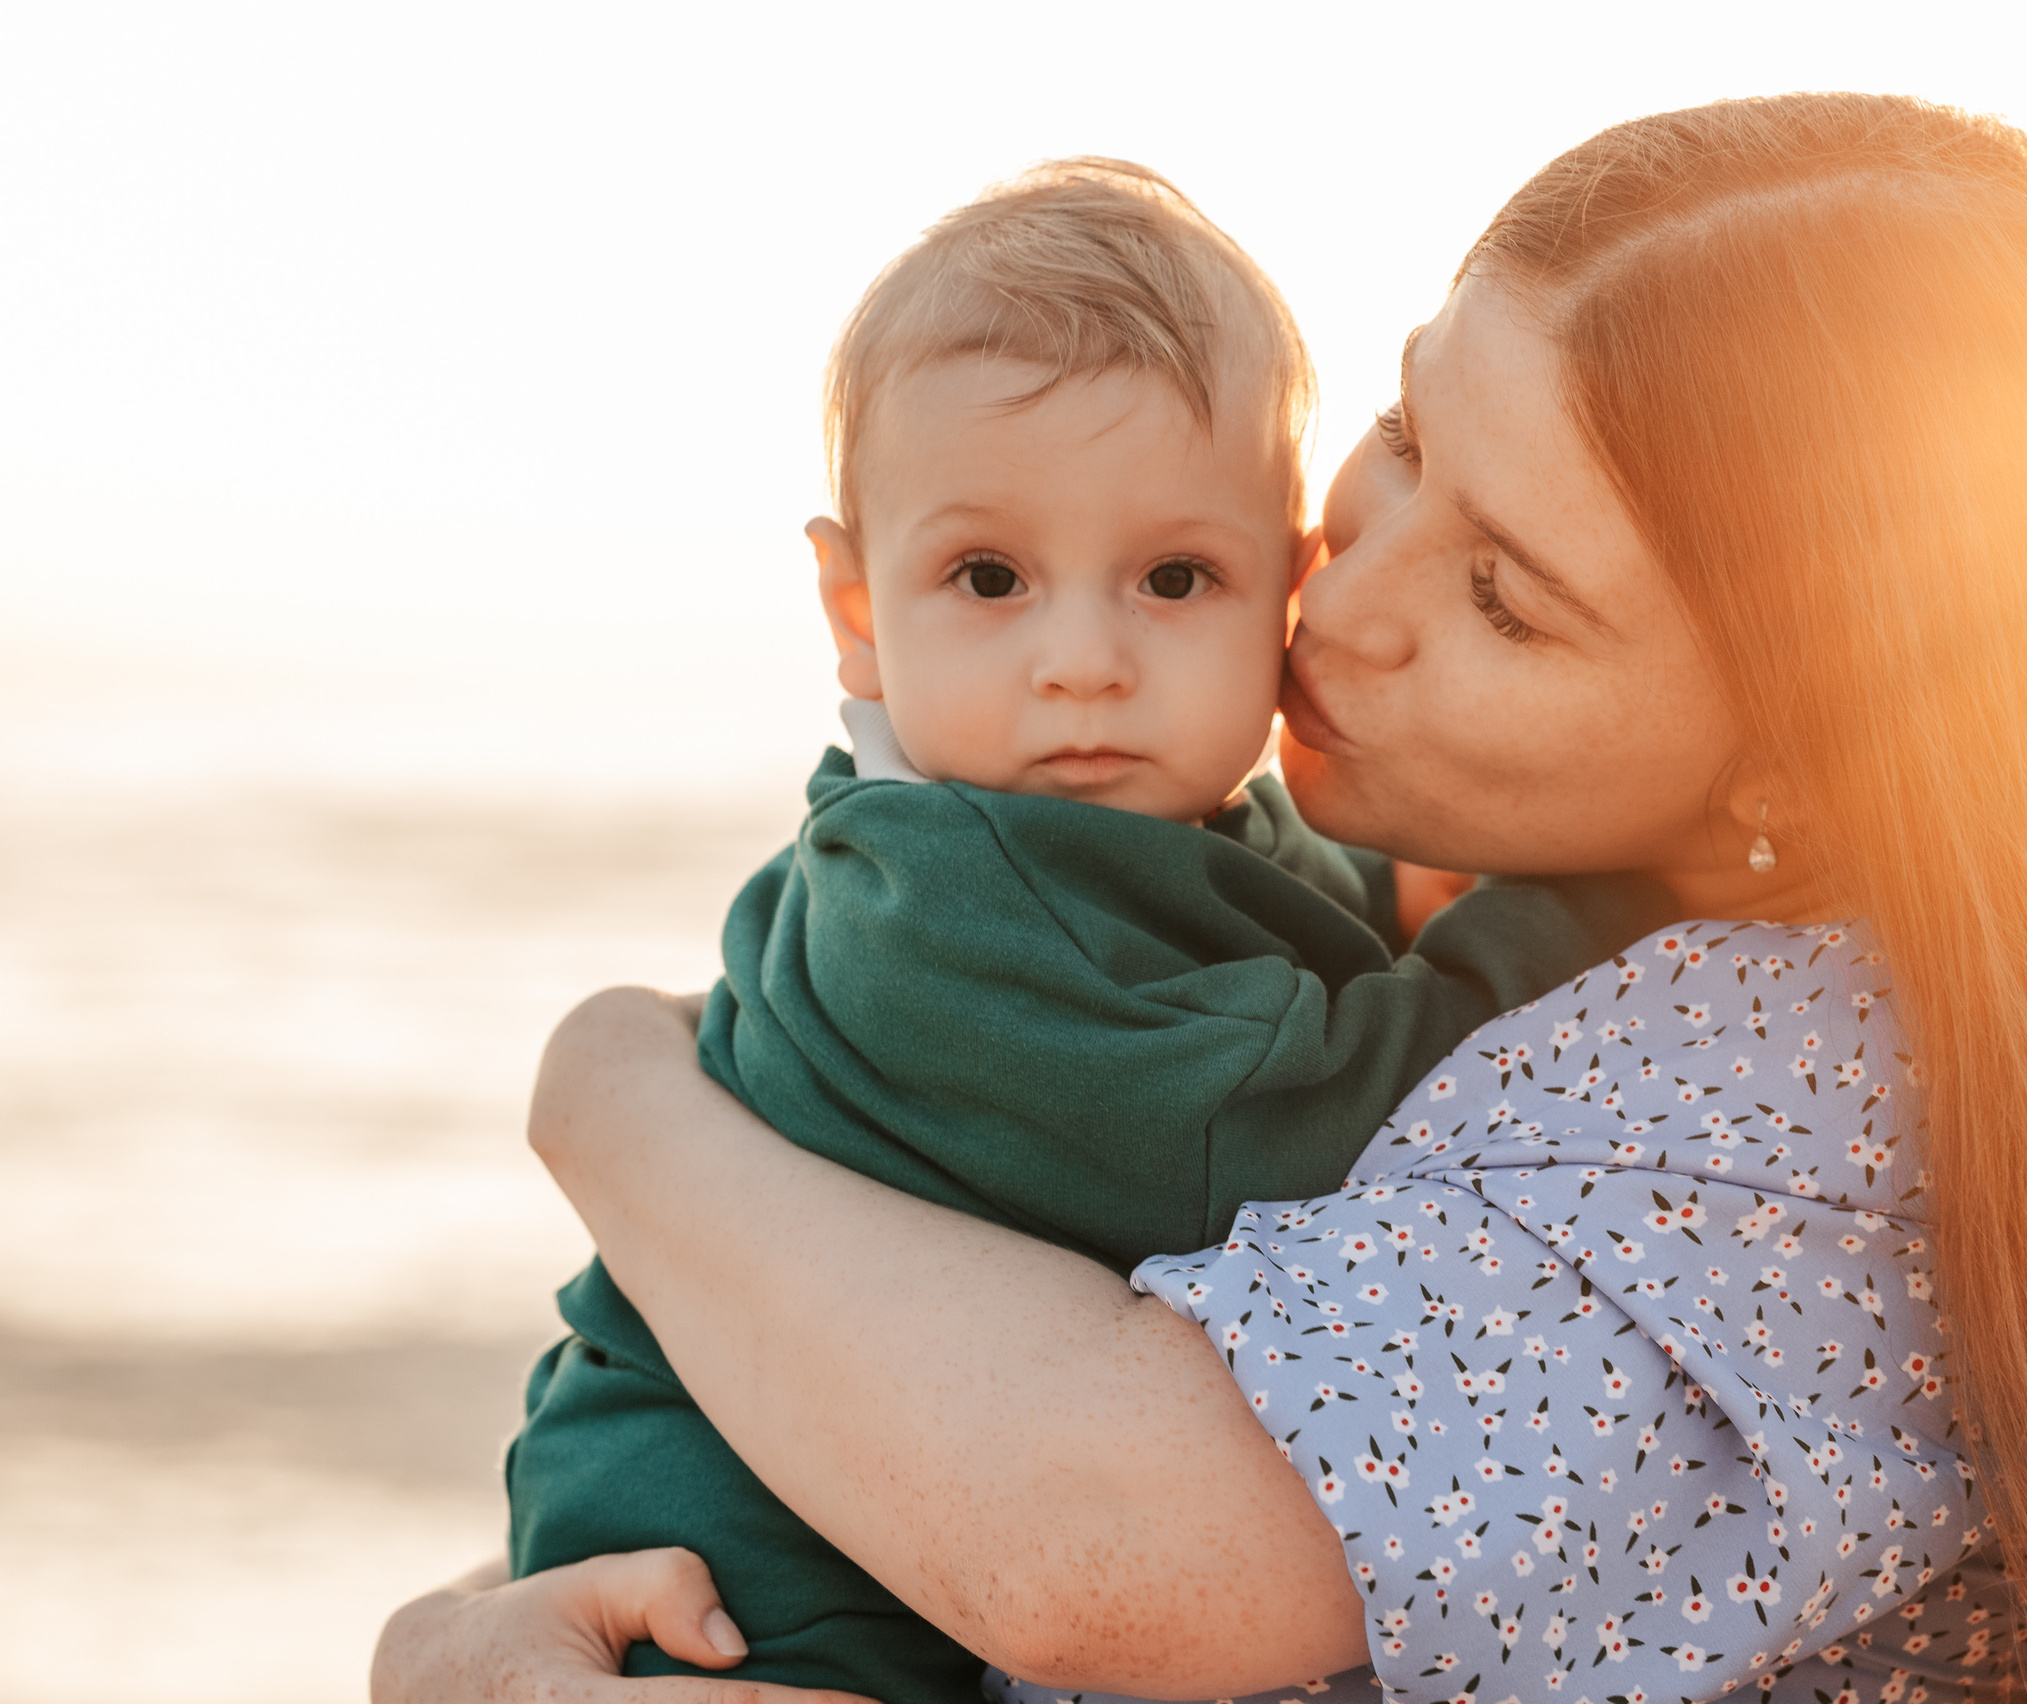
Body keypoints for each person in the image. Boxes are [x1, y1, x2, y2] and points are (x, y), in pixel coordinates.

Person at [377, 94, 2027, 1704]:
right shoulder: (1366, 881)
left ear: (1795, 769)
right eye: (1401, 437)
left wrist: (611, 1092)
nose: (1351, 583)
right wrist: (463, 1641)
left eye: (1500, 595)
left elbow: (1085, 1547)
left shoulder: (1802, 1112)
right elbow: (861, 1384)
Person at [505, 158, 1671, 1694]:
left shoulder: (1124, 831)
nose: (1082, 661)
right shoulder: (951, 900)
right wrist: (1589, 907)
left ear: (1284, 590)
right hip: (737, 1565)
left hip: (849, 1483)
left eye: (1173, 579)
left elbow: (1297, 924)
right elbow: (1298, 1124)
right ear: (858, 609)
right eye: (988, 577)